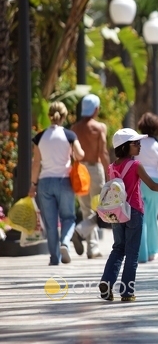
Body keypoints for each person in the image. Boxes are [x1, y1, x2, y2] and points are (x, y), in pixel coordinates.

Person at [99, 128, 158, 301]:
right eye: (136, 143)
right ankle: (127, 292)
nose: (140, 146)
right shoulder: (136, 166)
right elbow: (153, 186)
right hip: (134, 213)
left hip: (117, 213)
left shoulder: (112, 167)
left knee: (118, 248)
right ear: (125, 146)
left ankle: (107, 282)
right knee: (132, 254)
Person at [28, 102, 85, 265]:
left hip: (45, 182)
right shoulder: (69, 135)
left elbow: (36, 163)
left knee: (50, 222)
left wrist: (33, 184)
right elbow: (80, 155)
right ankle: (65, 243)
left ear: (49, 116)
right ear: (64, 116)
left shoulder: (40, 137)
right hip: (64, 180)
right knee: (68, 217)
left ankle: (54, 258)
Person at [70, 94, 110, 259]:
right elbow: (103, 152)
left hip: (79, 169)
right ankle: (81, 231)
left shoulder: (74, 128)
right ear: (95, 109)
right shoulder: (99, 127)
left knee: (86, 208)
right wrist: (110, 173)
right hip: (94, 168)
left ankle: (92, 248)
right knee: (102, 208)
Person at [135, 113, 158, 264]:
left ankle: (140, 254)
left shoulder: (136, 143)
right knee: (152, 219)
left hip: (140, 182)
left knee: (140, 219)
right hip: (156, 183)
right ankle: (152, 252)